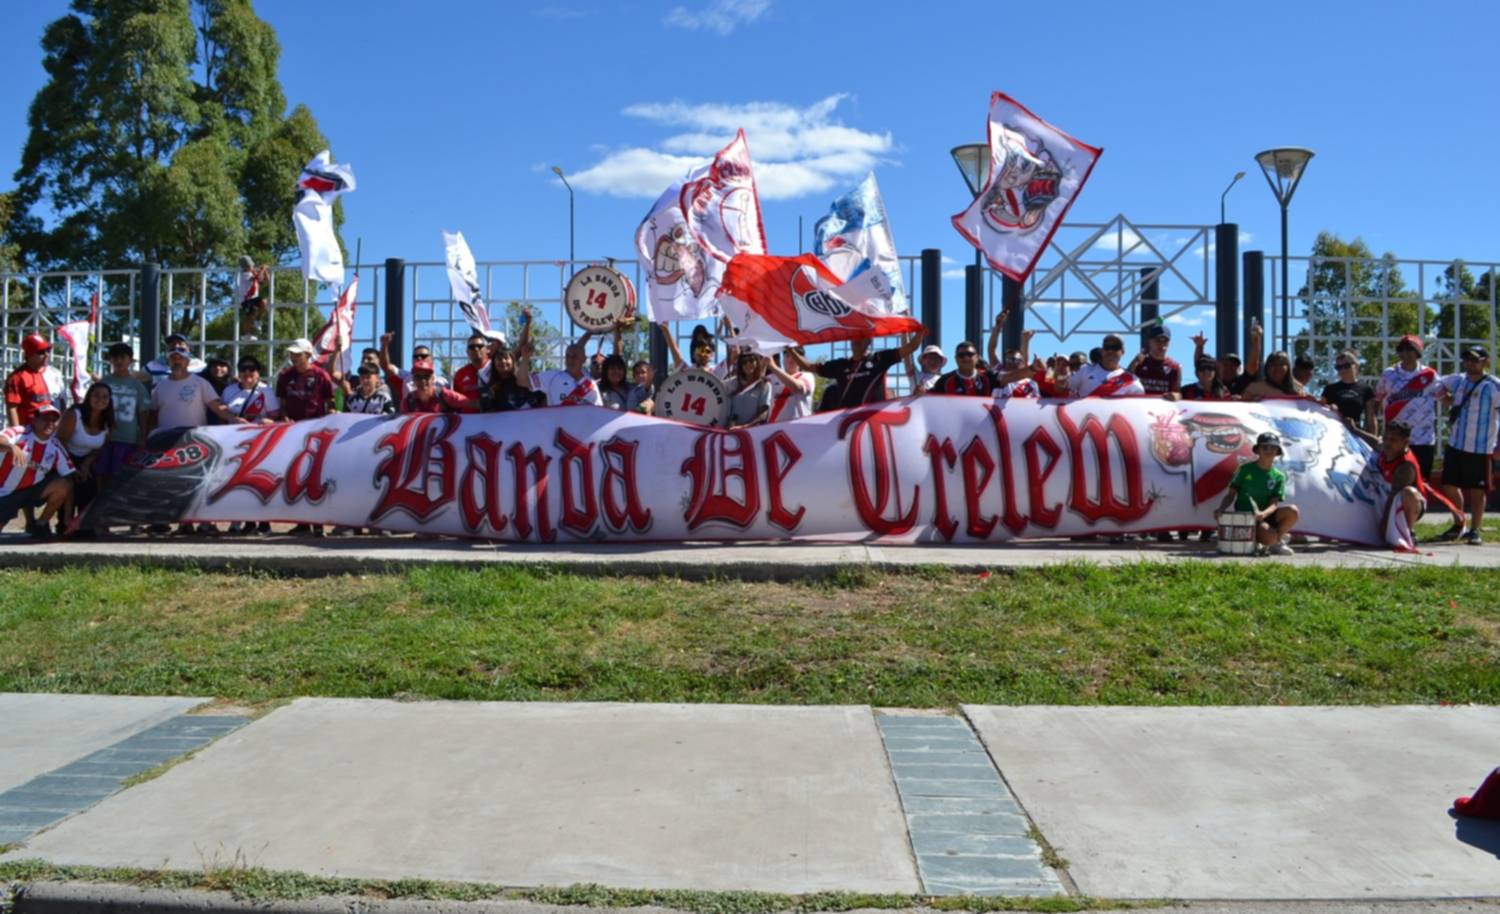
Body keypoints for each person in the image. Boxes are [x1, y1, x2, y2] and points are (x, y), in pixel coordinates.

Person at [149, 346, 245, 535]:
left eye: (180, 358)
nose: (177, 361)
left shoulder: (200, 383)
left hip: (193, 441)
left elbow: (216, 406)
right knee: (170, 483)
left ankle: (197, 522)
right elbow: (153, 414)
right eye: (173, 358)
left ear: (187, 361)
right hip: (167, 443)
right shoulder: (159, 387)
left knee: (193, 483)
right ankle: (176, 522)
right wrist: (148, 436)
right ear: (169, 361)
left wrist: (234, 419)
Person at [1349, 421, 1465, 545]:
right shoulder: (1387, 448)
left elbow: (1393, 497)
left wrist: (1385, 526)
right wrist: (1354, 429)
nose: (1387, 443)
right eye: (1386, 438)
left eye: (1393, 440)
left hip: (1409, 503)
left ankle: (1408, 531)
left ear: (1405, 442)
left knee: (1409, 492)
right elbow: (1375, 442)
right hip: (1386, 494)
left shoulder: (1405, 466)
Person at [1430, 345, 1500, 545]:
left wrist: (1499, 446)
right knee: (1449, 484)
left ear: (1485, 361)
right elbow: (1435, 384)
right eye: (1467, 359)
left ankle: (1475, 529)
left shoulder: (1494, 385)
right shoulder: (1458, 380)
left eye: (1475, 360)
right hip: (1456, 442)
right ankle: (1459, 523)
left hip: (1481, 446)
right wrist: (1446, 398)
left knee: (1478, 490)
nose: (1470, 363)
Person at [1215, 431, 1300, 556]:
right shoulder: (1244, 469)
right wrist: (1221, 509)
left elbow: (1274, 503)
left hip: (1265, 515)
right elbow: (1230, 495)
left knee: (1293, 511)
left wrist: (1263, 514)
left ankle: (1276, 542)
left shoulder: (1279, 476)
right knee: (1269, 536)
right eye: (1264, 447)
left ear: (1277, 451)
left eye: (1273, 447)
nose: (1268, 450)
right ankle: (1268, 539)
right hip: (1246, 517)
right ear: (1258, 450)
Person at [0, 404, 75, 540]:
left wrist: (67, 518)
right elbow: (1, 439)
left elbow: (69, 479)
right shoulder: (19, 432)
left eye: (54, 420)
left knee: (64, 484)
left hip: (30, 491)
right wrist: (11, 447)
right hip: (4, 492)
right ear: (34, 420)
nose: (50, 423)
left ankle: (41, 525)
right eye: (45, 419)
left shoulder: (56, 446)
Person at [1375, 334, 1440, 482]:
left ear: (1418, 352)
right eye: (1401, 349)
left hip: (1423, 440)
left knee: (1421, 484)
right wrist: (1375, 429)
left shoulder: (1430, 375)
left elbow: (1444, 397)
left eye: (1409, 349)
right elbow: (1376, 401)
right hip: (1394, 440)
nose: (1405, 353)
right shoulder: (1388, 374)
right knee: (1391, 483)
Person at [812, 332, 923, 411]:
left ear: (869, 341)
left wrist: (920, 332)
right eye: (854, 337)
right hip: (846, 423)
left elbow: (911, 347)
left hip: (871, 422)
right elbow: (811, 367)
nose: (857, 340)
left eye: (862, 337)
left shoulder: (879, 359)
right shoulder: (841, 365)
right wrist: (797, 348)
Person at [58, 381, 113, 535]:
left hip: (87, 459)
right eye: (96, 395)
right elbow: (61, 441)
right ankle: (64, 523)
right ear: (89, 396)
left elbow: (100, 448)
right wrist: (71, 467)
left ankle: (83, 524)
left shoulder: (107, 421)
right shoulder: (74, 413)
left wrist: (86, 464)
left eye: (105, 397)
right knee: (69, 484)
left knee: (90, 484)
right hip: (64, 455)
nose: (100, 400)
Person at [95, 342, 148, 497]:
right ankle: (100, 504)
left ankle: (118, 506)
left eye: (123, 357)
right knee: (101, 474)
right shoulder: (104, 382)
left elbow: (143, 414)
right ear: (110, 360)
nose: (119, 361)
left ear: (130, 360)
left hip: (128, 439)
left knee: (122, 476)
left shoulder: (137, 386)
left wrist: (142, 438)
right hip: (104, 438)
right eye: (115, 357)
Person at [6, 334, 66, 428]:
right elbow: (12, 408)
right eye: (41, 352)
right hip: (29, 431)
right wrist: (17, 432)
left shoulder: (54, 373)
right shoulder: (17, 377)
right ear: (29, 355)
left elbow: (62, 403)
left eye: (48, 350)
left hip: (52, 429)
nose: (46, 355)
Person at [275, 339, 336, 423]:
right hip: (291, 426)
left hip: (315, 426)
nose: (293, 357)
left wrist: (330, 417)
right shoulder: (284, 375)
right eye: (291, 353)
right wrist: (284, 417)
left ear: (308, 355)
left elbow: (331, 405)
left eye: (298, 354)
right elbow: (282, 404)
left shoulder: (322, 375)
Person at [390, 356, 476, 415]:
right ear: (413, 380)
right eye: (418, 377)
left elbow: (470, 403)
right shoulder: (408, 401)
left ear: (433, 378)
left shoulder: (444, 395)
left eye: (426, 376)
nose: (423, 380)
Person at [532, 339, 604, 407]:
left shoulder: (591, 384)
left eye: (575, 356)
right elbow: (526, 381)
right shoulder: (551, 377)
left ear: (584, 359)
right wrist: (526, 357)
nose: (570, 359)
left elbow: (599, 411)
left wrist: (590, 332)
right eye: (567, 356)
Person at [1069, 334, 1145, 398]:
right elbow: (1066, 391)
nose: (1110, 351)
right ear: (1102, 351)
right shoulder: (1084, 370)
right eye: (1107, 347)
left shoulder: (1131, 380)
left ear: (1123, 352)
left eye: (1115, 347)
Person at [1320, 350, 1377, 432]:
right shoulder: (1329, 389)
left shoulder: (1366, 389)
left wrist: (1372, 438)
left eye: (1346, 366)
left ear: (1355, 366)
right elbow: (1320, 413)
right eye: (1339, 367)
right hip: (1334, 432)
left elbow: (1371, 418)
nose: (1343, 370)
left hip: (1355, 434)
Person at [221, 357, 280, 423]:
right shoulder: (228, 390)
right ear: (239, 373)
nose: (247, 372)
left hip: (258, 429)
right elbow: (222, 417)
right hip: (233, 429)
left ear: (258, 373)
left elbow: (275, 419)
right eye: (243, 369)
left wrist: (267, 421)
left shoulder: (266, 390)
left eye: (252, 368)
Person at [1130, 325, 1181, 399]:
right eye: (1158, 340)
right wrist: (1134, 362)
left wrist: (1176, 396)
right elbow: (1125, 383)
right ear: (1150, 341)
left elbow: (1178, 393)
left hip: (1164, 405)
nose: (1162, 344)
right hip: (1141, 405)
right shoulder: (1139, 362)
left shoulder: (1175, 367)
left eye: (1165, 341)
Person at [766, 350, 815, 422]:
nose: (790, 360)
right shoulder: (771, 377)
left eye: (794, 356)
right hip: (774, 427)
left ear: (801, 359)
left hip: (800, 425)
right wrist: (763, 364)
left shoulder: (807, 376)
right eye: (787, 356)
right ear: (783, 359)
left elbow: (798, 388)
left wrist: (774, 367)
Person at [726, 351, 771, 428]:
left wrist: (744, 427)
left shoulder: (764, 385)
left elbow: (763, 415)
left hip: (752, 431)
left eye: (751, 360)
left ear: (757, 362)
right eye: (744, 361)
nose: (748, 364)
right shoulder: (731, 383)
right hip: (729, 430)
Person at [1241, 350, 1306, 401]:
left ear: (1288, 367)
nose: (1277, 368)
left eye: (1282, 364)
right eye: (1273, 365)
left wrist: (1309, 400)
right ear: (1267, 368)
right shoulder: (1254, 388)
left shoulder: (1297, 387)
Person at [236, 256, 271, 339]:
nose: (252, 267)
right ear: (246, 267)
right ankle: (245, 334)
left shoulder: (252, 273)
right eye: (250, 266)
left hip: (253, 298)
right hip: (246, 299)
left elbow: (266, 281)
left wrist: (265, 271)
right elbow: (257, 278)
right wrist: (263, 269)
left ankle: (258, 320)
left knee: (264, 302)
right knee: (249, 315)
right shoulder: (244, 274)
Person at [452, 332, 489, 400]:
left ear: (487, 349)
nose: (476, 349)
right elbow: (456, 400)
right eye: (472, 347)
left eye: (480, 346)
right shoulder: (460, 374)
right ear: (467, 352)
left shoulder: (496, 368)